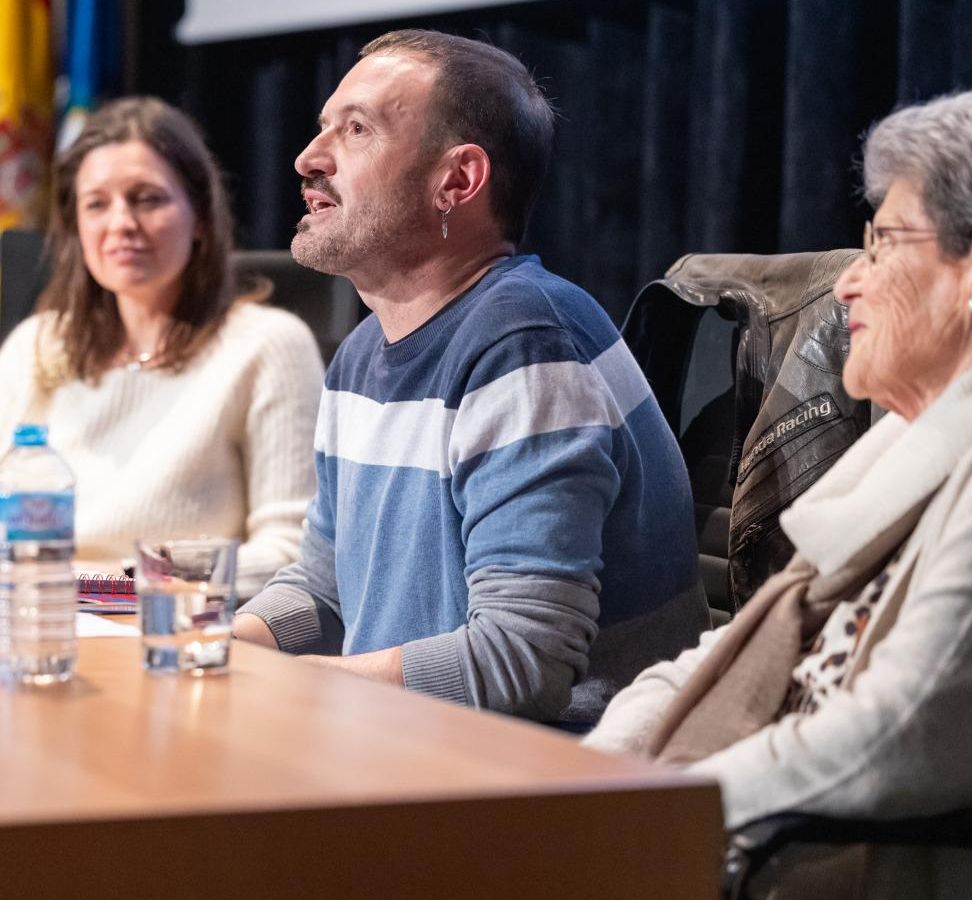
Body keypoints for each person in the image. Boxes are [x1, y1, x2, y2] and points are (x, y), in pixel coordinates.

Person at [583, 91, 972, 898]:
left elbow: (892, 745)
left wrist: (634, 807)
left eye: (883, 245)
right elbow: (727, 659)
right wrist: (584, 772)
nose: (846, 285)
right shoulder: (914, 442)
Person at [234, 30, 706, 726]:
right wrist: (208, 644)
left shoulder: (525, 344)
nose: (309, 158)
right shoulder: (363, 354)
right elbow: (325, 586)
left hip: (548, 779)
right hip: (409, 747)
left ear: (457, 181)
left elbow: (522, 661)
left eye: (356, 130)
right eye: (320, 128)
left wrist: (297, 688)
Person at [0, 97, 323, 595]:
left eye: (147, 199)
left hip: (172, 630)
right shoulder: (36, 344)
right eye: (97, 204)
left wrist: (117, 583)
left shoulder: (268, 346)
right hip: (25, 618)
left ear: (200, 216)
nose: (121, 224)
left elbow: (291, 554)